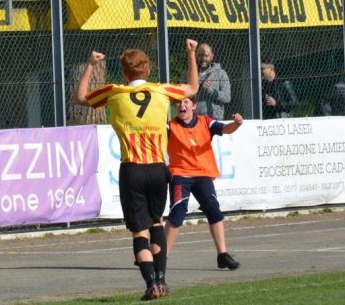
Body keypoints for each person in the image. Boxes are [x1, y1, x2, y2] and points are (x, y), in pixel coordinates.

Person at [76, 40, 200, 301]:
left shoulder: (114, 92)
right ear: (148, 70)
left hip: (132, 169)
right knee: (157, 223)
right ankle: (162, 280)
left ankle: (150, 284)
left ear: (124, 73)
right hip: (157, 168)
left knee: (138, 231)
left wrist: (90, 65)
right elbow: (193, 87)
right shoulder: (161, 90)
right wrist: (190, 53)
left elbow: (81, 98)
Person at [164, 96, 243, 271]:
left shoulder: (205, 122)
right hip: (180, 175)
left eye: (185, 102)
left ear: (194, 106)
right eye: (178, 103)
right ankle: (162, 257)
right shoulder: (170, 126)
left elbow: (225, 129)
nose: (181, 105)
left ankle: (222, 255)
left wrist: (236, 124)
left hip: (202, 175)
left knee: (214, 209)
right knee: (177, 213)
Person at [192, 43, 231, 119]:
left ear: (212, 56)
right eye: (200, 55)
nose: (203, 58)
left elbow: (227, 97)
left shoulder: (221, 73)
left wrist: (212, 91)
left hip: (214, 120)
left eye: (206, 55)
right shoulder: (189, 74)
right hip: (194, 120)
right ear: (196, 56)